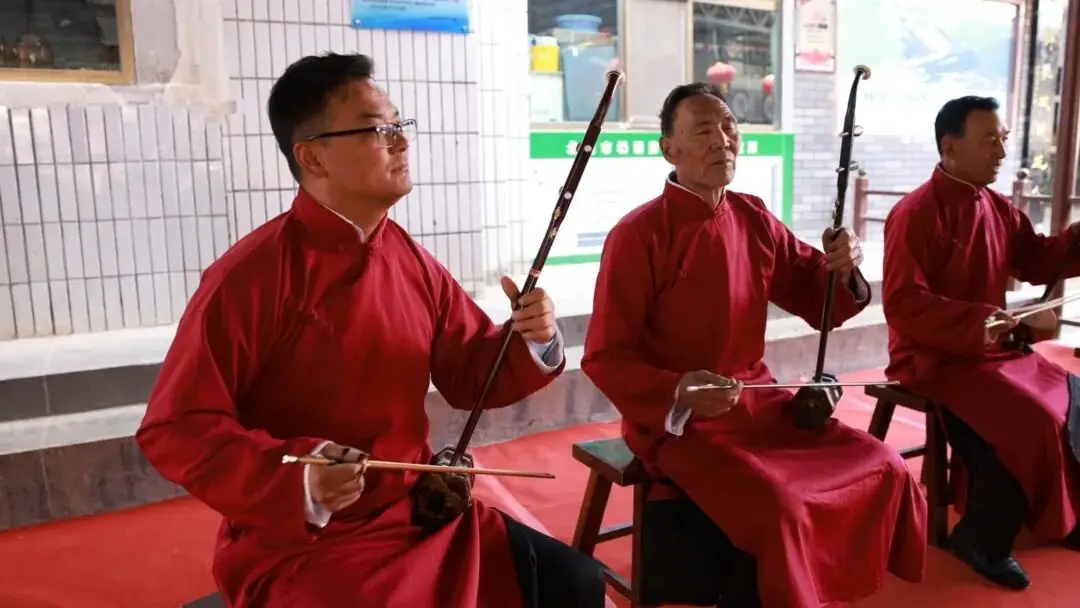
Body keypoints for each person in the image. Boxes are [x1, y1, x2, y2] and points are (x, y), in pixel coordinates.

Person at [136, 53, 607, 608]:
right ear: (312, 157)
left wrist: (532, 335)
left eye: (399, 125)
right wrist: (299, 477)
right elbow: (175, 427)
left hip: (419, 512)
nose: (401, 142)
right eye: (377, 130)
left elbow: (471, 372)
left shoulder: (409, 257)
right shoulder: (251, 277)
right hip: (307, 539)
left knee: (576, 581)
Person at [581, 82, 927, 608]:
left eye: (729, 128)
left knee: (885, 463)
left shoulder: (754, 217)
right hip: (683, 423)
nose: (722, 141)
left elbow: (821, 297)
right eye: (703, 131)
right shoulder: (637, 235)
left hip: (762, 402)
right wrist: (679, 390)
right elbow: (604, 356)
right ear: (668, 149)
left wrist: (844, 265)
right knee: (782, 505)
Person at [881, 95, 1080, 590]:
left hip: (992, 350)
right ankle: (981, 538)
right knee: (1029, 418)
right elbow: (903, 304)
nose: (1000, 151)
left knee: (1075, 396)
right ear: (950, 146)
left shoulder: (996, 206)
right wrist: (977, 321)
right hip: (935, 356)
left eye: (1003, 139)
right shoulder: (915, 213)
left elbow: (1035, 260)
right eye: (989, 140)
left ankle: (1073, 515)